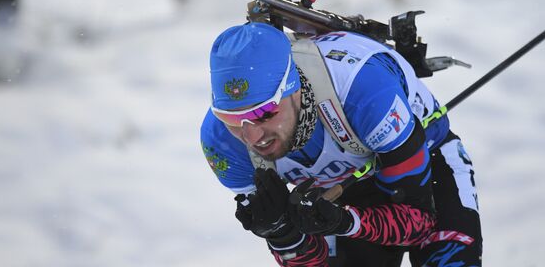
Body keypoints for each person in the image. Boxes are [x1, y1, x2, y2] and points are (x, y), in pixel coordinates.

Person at [200, 22, 482, 266]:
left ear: (294, 90)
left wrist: (346, 222)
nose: (252, 137)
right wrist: (284, 235)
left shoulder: (363, 92)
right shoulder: (222, 143)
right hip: (337, 195)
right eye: (231, 119)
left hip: (426, 164)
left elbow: (419, 225)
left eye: (264, 114)